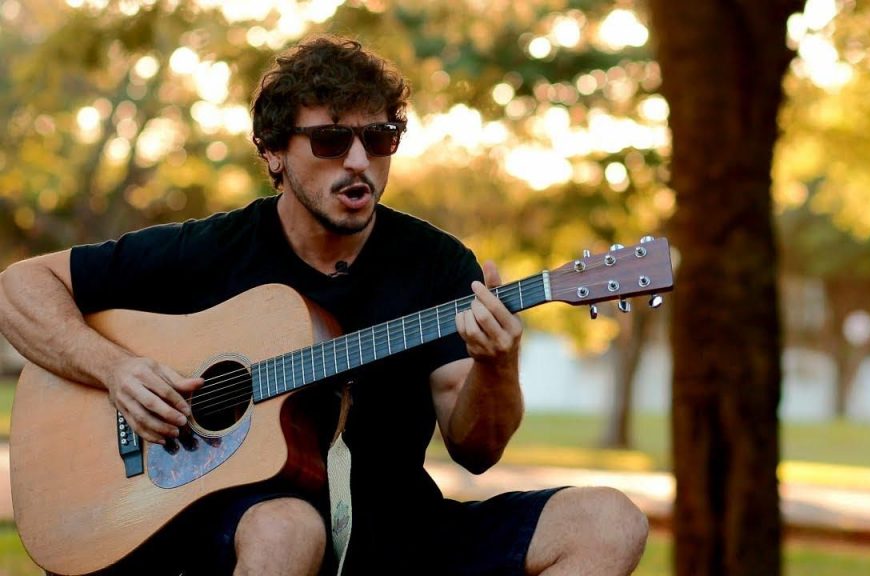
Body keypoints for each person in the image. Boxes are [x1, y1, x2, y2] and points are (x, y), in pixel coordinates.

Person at [0, 34, 648, 575]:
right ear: (275, 152)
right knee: (286, 529)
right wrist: (117, 371)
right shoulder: (210, 250)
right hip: (233, 532)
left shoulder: (439, 265)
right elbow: (20, 287)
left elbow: (475, 449)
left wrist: (499, 365)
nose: (360, 161)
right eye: (332, 141)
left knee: (608, 520)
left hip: (399, 533)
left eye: (381, 136)